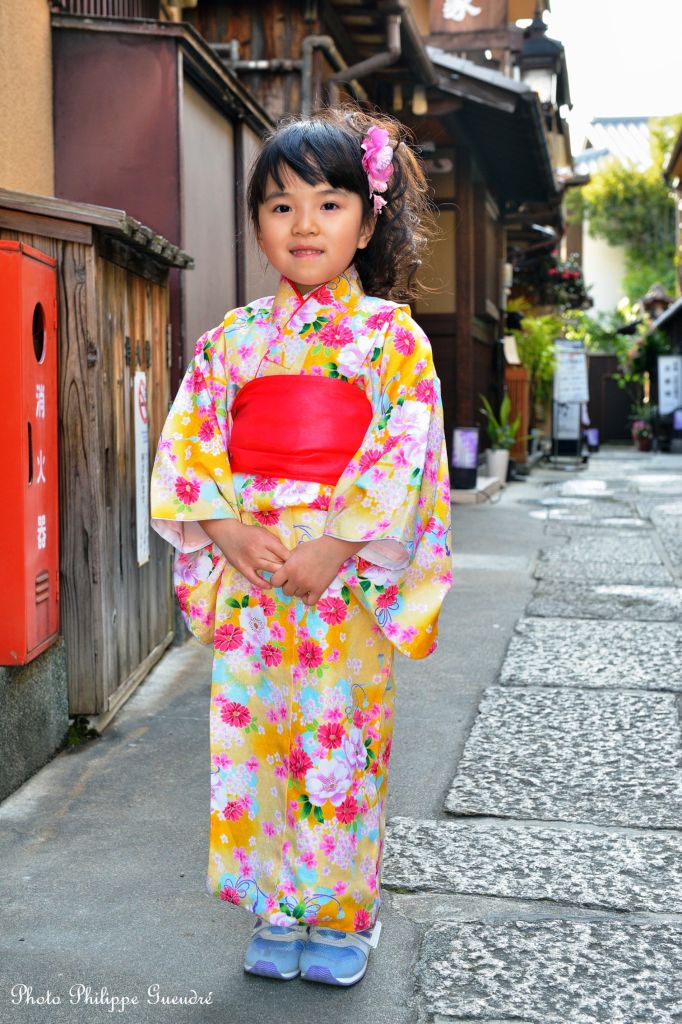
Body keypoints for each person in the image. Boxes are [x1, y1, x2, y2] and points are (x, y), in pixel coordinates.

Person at [149, 104, 452, 988]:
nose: (304, 224)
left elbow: (405, 449)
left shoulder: (393, 341)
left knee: (340, 739)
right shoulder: (229, 343)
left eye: (328, 202)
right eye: (280, 207)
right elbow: (191, 444)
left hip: (342, 580)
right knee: (259, 741)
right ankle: (277, 907)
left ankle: (343, 915)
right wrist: (227, 529)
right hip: (254, 575)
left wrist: (343, 544)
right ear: (257, 226)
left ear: (368, 219)